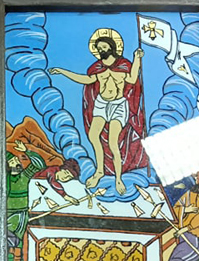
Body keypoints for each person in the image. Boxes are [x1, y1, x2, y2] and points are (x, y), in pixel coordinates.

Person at [49, 29, 148, 194]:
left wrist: (137, 58)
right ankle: (99, 171)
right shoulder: (98, 68)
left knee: (112, 142)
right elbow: (86, 79)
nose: (101, 50)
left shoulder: (123, 66)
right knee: (93, 136)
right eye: (99, 48)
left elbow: (132, 78)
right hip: (101, 104)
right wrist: (62, 72)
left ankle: (118, 179)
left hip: (118, 105)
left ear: (111, 47)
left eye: (104, 47)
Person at [6, 139, 46, 250]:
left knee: (16, 243)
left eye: (16, 159)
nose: (17, 161)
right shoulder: (4, 179)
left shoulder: (24, 176)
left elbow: (40, 165)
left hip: (22, 214)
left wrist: (27, 151)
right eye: (13, 161)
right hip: (7, 214)